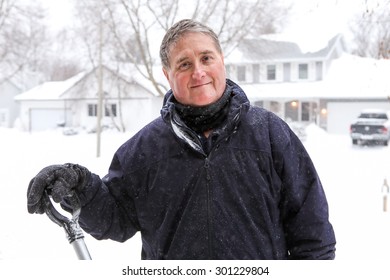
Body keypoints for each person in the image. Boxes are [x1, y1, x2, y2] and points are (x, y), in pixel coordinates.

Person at [27, 19, 336, 260]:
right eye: (185, 64)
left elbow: (311, 229)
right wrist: (80, 185)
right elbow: (115, 219)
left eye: (206, 58)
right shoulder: (143, 151)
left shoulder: (269, 135)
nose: (198, 72)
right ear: (167, 73)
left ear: (221, 61)